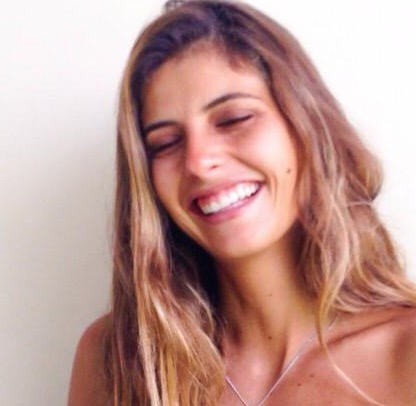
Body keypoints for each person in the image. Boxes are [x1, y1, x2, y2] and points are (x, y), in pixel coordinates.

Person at [67, 1, 416, 405]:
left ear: (307, 127)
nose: (198, 162)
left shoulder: (405, 352)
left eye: (233, 119)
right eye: (166, 143)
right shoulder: (117, 358)